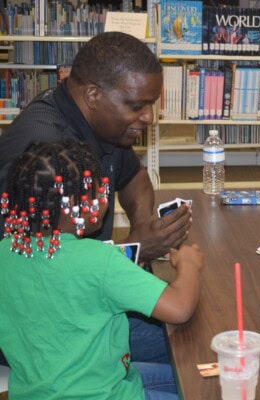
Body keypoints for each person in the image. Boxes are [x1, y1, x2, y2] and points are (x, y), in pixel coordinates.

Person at [0, 31, 192, 364]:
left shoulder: (106, 124)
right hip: (46, 333)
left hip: (83, 303)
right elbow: (40, 273)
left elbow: (135, 178)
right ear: (93, 95)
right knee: (191, 339)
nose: (148, 117)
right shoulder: (43, 151)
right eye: (138, 105)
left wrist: (146, 227)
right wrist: (134, 249)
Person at [0, 140, 204, 399]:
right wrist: (189, 264)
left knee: (184, 373)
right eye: (99, 189)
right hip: (104, 393)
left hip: (38, 390)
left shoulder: (4, 252)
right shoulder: (100, 259)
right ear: (73, 203)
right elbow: (180, 307)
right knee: (201, 384)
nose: (105, 196)